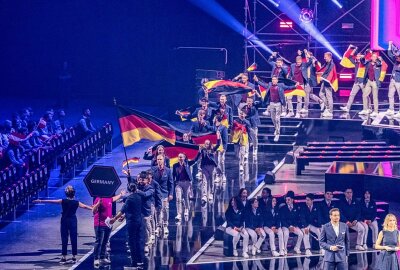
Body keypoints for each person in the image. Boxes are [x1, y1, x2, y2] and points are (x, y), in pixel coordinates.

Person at [33, 186, 92, 264]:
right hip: (73, 220)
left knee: (64, 238)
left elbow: (51, 201)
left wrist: (40, 201)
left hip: (64, 220)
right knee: (73, 238)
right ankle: (74, 257)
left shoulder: (63, 201)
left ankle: (64, 257)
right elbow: (85, 207)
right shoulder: (76, 202)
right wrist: (93, 208)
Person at [110, 183, 145, 269]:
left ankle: (134, 263)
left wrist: (114, 219)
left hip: (132, 222)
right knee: (137, 241)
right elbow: (133, 209)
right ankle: (139, 261)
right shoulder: (139, 197)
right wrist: (125, 216)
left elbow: (122, 210)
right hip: (139, 221)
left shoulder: (129, 199)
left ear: (129, 190)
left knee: (131, 242)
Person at [254, 75, 298, 142]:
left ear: (277, 80)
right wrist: (257, 81)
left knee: (277, 119)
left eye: (275, 79)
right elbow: (263, 85)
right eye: (273, 79)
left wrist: (295, 86)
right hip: (271, 104)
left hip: (278, 104)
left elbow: (288, 87)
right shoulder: (269, 85)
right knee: (273, 118)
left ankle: (277, 133)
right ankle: (276, 128)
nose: (273, 81)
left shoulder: (281, 85)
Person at [92, 190, 126, 267]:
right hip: (99, 224)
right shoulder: (98, 198)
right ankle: (96, 259)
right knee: (99, 242)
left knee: (105, 242)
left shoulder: (109, 198)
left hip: (108, 224)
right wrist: (98, 204)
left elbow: (114, 199)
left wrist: (120, 194)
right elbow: (93, 211)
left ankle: (102, 257)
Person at [279, 190, 310, 255]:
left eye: (289, 200)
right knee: (286, 233)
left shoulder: (297, 207)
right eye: (286, 200)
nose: (287, 201)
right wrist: (289, 226)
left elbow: (299, 218)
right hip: (285, 226)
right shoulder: (283, 208)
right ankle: (284, 248)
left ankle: (297, 247)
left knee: (301, 234)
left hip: (294, 226)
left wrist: (295, 226)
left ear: (292, 200)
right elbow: (282, 219)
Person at [194, 135, 221, 204]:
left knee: (211, 180)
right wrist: (199, 152)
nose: (206, 145)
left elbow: (218, 144)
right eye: (205, 143)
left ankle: (211, 194)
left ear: (210, 144)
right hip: (204, 167)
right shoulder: (202, 150)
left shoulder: (212, 150)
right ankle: (204, 195)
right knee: (204, 181)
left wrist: (218, 138)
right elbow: (197, 158)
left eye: (208, 144)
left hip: (211, 167)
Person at [340, 46, 367, 113]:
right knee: (352, 94)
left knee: (366, 95)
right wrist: (352, 49)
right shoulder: (356, 63)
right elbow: (348, 56)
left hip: (363, 81)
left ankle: (368, 108)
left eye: (359, 56)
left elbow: (366, 59)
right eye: (357, 56)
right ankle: (347, 107)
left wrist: (362, 57)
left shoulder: (364, 62)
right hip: (356, 81)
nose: (357, 57)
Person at [151, 154, 173, 235]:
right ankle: (158, 226)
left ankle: (165, 225)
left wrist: (170, 194)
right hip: (156, 194)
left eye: (160, 159)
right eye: (157, 159)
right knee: (158, 210)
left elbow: (171, 183)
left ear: (163, 160)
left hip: (164, 193)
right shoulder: (153, 170)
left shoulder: (168, 170)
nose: (159, 161)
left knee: (165, 209)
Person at [172, 153, 195, 222]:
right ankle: (179, 213)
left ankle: (186, 209)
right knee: (178, 198)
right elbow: (173, 175)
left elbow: (195, 160)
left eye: (181, 157)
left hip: (186, 183)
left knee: (186, 197)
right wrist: (173, 182)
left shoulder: (187, 164)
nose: (180, 158)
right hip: (178, 183)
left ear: (184, 158)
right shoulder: (175, 165)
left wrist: (199, 151)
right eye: (179, 157)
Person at [360, 51, 382, 117]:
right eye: (373, 56)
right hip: (369, 81)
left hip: (375, 82)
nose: (374, 58)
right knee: (364, 95)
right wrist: (362, 57)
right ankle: (365, 109)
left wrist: (378, 59)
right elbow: (363, 62)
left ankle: (376, 111)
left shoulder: (378, 63)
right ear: (371, 57)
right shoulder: (368, 63)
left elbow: (379, 63)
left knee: (375, 97)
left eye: (375, 57)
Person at [317, 52, 336, 117]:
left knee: (329, 96)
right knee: (321, 94)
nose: (324, 58)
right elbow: (324, 71)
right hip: (324, 81)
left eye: (325, 57)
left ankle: (330, 111)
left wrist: (323, 78)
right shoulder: (327, 63)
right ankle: (327, 107)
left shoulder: (332, 64)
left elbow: (330, 74)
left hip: (328, 82)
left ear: (329, 57)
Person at [231, 108, 251, 172]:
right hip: (236, 139)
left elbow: (249, 131)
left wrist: (250, 140)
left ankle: (241, 165)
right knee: (237, 153)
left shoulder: (247, 122)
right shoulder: (235, 121)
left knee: (242, 153)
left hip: (243, 139)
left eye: (243, 114)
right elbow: (232, 130)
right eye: (240, 113)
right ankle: (240, 160)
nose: (241, 115)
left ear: (245, 115)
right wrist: (231, 137)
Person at [213, 116, 228, 182]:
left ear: (216, 119)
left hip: (221, 146)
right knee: (216, 162)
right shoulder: (212, 127)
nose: (213, 119)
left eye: (214, 118)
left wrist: (224, 148)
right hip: (214, 147)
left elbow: (225, 139)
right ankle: (218, 175)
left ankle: (223, 175)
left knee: (221, 161)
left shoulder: (223, 127)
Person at [387, 41, 400, 117]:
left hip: (399, 81)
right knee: (390, 95)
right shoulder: (396, 61)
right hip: (393, 80)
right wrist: (389, 45)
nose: (397, 58)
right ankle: (391, 109)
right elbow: (390, 54)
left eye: (398, 57)